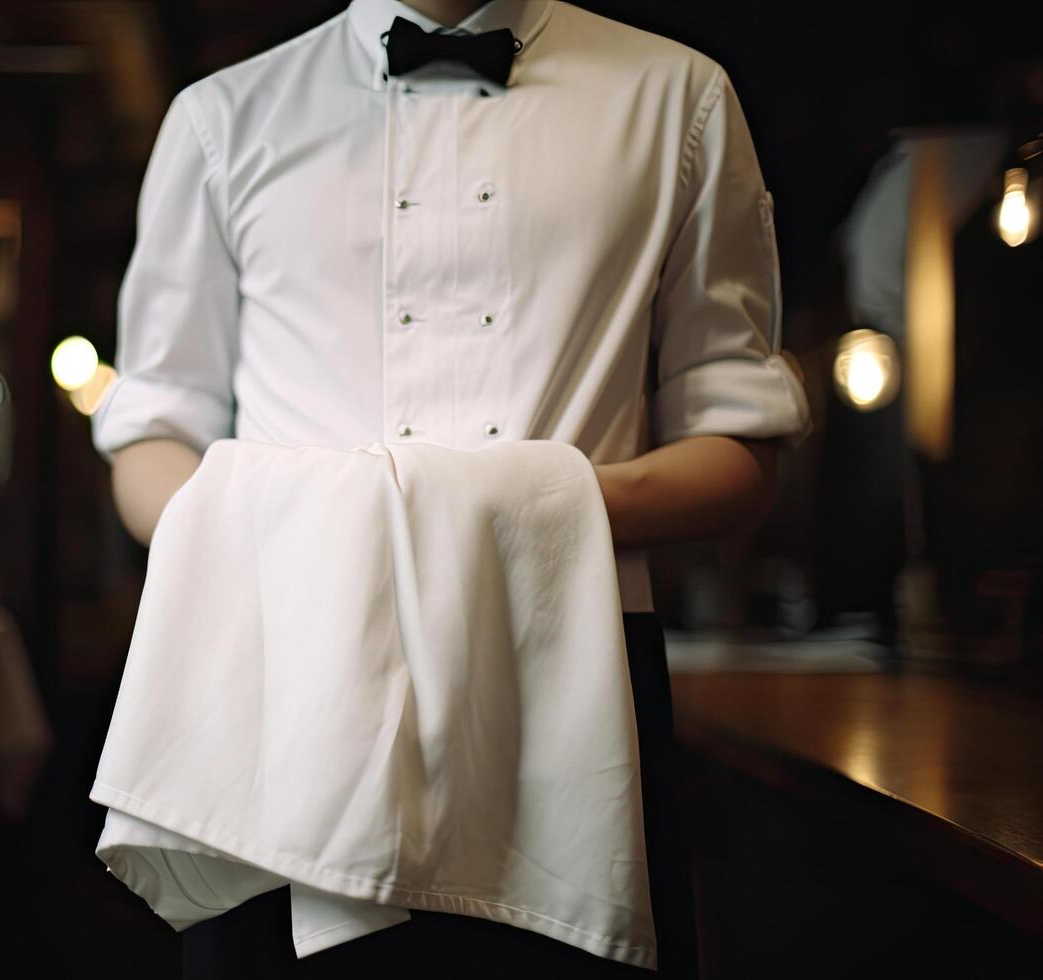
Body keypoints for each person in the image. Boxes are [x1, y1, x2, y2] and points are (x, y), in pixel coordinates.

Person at [91, 0, 811, 975]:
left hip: (571, 669)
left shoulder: (679, 97)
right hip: (283, 671)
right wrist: (278, 531)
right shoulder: (222, 117)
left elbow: (741, 443)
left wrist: (512, 510)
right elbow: (150, 431)